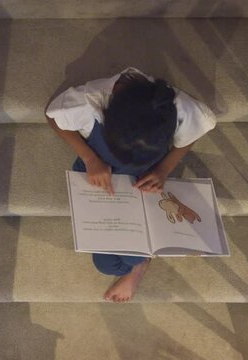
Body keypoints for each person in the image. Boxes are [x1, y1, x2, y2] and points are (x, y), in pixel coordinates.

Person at [45, 68, 216, 302]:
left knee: (133, 252)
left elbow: (195, 131)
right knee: (106, 264)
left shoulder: (179, 108)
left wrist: (163, 169)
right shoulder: (86, 103)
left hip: (145, 179)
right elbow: (52, 117)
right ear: (107, 116)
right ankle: (139, 264)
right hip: (97, 173)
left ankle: (139, 265)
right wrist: (90, 158)